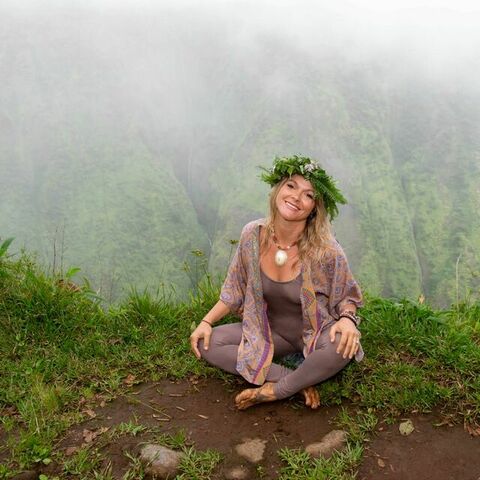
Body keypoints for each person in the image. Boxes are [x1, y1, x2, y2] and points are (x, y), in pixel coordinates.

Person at [190, 155, 363, 410]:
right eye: (291, 186)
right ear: (278, 189)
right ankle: (296, 380)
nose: (296, 197)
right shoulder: (253, 235)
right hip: (269, 330)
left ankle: (276, 391)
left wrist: (348, 320)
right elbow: (234, 288)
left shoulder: (326, 250)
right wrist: (206, 322)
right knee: (207, 343)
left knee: (343, 346)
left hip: (315, 333)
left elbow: (347, 294)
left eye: (308, 195)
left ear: (314, 208)